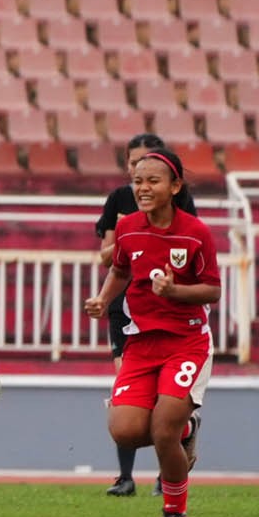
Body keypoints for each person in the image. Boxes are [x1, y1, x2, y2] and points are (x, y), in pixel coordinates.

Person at [84, 149, 217, 517]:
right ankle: (187, 429)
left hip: (186, 342)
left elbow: (212, 291)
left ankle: (175, 514)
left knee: (162, 431)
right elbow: (121, 270)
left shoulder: (196, 232)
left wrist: (175, 291)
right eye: (138, 181)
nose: (143, 188)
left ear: (175, 186)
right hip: (140, 343)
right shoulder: (127, 228)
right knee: (124, 431)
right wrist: (103, 299)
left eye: (152, 181)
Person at [95, 133, 199, 497]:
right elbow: (107, 257)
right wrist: (125, 235)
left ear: (171, 181)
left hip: (168, 317)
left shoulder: (181, 210)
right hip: (126, 311)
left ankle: (164, 476)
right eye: (134, 165)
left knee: (163, 403)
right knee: (129, 395)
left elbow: (190, 253)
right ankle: (125, 476)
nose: (140, 177)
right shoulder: (120, 203)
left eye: (149, 168)